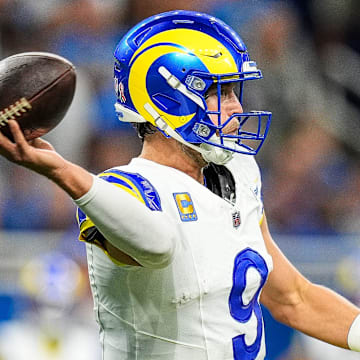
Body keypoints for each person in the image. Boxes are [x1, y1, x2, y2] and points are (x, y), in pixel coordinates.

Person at [0, 10, 359, 360]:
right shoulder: (123, 189)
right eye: (221, 92)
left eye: (235, 91)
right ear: (167, 100)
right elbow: (158, 244)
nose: (236, 108)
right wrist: (63, 172)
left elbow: (292, 298)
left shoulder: (237, 172)